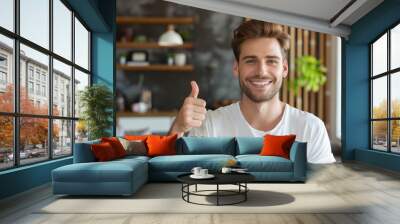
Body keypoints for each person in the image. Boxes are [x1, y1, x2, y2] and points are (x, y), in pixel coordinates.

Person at [168, 20, 335, 164]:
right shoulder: (211, 126)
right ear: (236, 67)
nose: (261, 71)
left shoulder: (310, 128)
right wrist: (178, 128)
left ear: (284, 68)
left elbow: (326, 195)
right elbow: (174, 181)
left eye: (271, 61)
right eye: (250, 61)